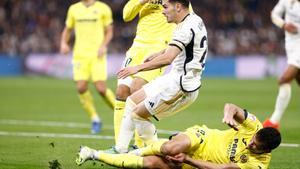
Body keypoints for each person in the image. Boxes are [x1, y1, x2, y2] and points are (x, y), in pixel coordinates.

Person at [114, 0, 208, 153]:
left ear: (178, 7)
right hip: (173, 77)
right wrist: (161, 52)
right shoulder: (194, 20)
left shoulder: (183, 28)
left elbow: (168, 59)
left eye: (165, 7)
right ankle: (120, 150)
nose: (162, 11)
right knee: (132, 101)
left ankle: (157, 152)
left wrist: (137, 68)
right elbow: (182, 46)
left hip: (182, 86)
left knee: (138, 114)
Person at [76, 103, 282, 169]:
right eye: (253, 141)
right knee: (171, 149)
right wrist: (229, 116)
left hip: (199, 164)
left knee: (149, 164)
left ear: (266, 151)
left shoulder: (258, 165)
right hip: (203, 137)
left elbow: (222, 168)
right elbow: (231, 107)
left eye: (256, 147)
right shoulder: (253, 126)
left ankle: (92, 154)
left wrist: (189, 160)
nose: (251, 145)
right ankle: (136, 149)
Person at [113, 0, 176, 147]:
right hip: (137, 48)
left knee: (137, 88)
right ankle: (119, 147)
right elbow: (126, 15)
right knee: (121, 92)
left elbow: (186, 15)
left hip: (158, 49)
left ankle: (139, 144)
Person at [60, 0, 116, 134]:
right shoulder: (74, 9)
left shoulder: (103, 8)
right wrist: (63, 43)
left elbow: (109, 31)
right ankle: (95, 119)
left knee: (101, 89)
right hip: (80, 54)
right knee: (81, 87)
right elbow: (67, 29)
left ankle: (121, 114)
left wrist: (103, 45)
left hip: (97, 54)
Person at [263, 0, 300, 129]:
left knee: (284, 79)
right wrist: (284, 25)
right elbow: (274, 14)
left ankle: (273, 122)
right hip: (291, 45)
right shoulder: (287, 1)